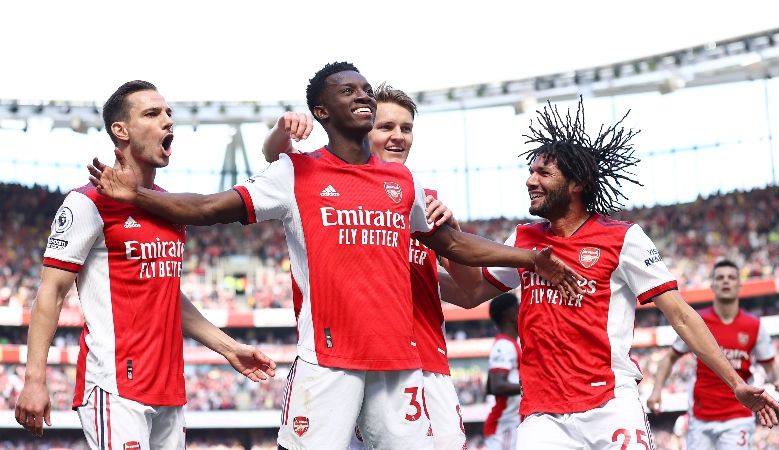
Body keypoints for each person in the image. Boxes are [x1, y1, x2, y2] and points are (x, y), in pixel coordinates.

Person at [86, 63, 584, 450]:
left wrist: (530, 259)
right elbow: (209, 207)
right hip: (328, 362)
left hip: (398, 362)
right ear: (322, 112)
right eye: (349, 91)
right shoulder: (294, 174)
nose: (363, 96)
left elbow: (450, 245)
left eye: (366, 89)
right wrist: (138, 198)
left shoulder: (402, 182)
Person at [438, 98, 779, 449]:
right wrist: (421, 256)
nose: (530, 180)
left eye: (543, 172)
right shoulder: (524, 240)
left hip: (610, 404)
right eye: (530, 171)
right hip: (542, 415)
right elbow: (469, 294)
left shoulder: (623, 238)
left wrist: (735, 383)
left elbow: (680, 315)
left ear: (577, 183)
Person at [14, 81, 275, 449]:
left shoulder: (170, 208)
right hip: (117, 387)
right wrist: (35, 379)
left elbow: (167, 293)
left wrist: (228, 347)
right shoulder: (86, 203)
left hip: (169, 389)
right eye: (152, 114)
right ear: (120, 131)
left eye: (169, 114)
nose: (167, 121)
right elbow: (51, 293)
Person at [263, 83, 475, 450]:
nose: (398, 137)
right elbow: (277, 159)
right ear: (363, 127)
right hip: (342, 363)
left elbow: (469, 293)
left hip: (423, 367)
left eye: (406, 129)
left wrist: (453, 237)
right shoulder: (322, 184)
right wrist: (281, 131)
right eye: (386, 126)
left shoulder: (426, 203)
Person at [647, 259, 779, 450]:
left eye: (731, 277)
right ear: (712, 285)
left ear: (739, 285)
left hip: (738, 418)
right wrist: (656, 391)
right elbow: (669, 357)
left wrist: (778, 380)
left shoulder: (754, 326)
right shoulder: (697, 322)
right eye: (720, 278)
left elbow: (771, 366)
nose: (726, 281)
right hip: (700, 419)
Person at [483, 293, 521, 450]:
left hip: (510, 425)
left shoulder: (510, 344)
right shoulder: (504, 345)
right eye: (519, 309)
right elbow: (497, 386)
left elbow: (490, 386)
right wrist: (533, 386)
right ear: (510, 315)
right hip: (504, 427)